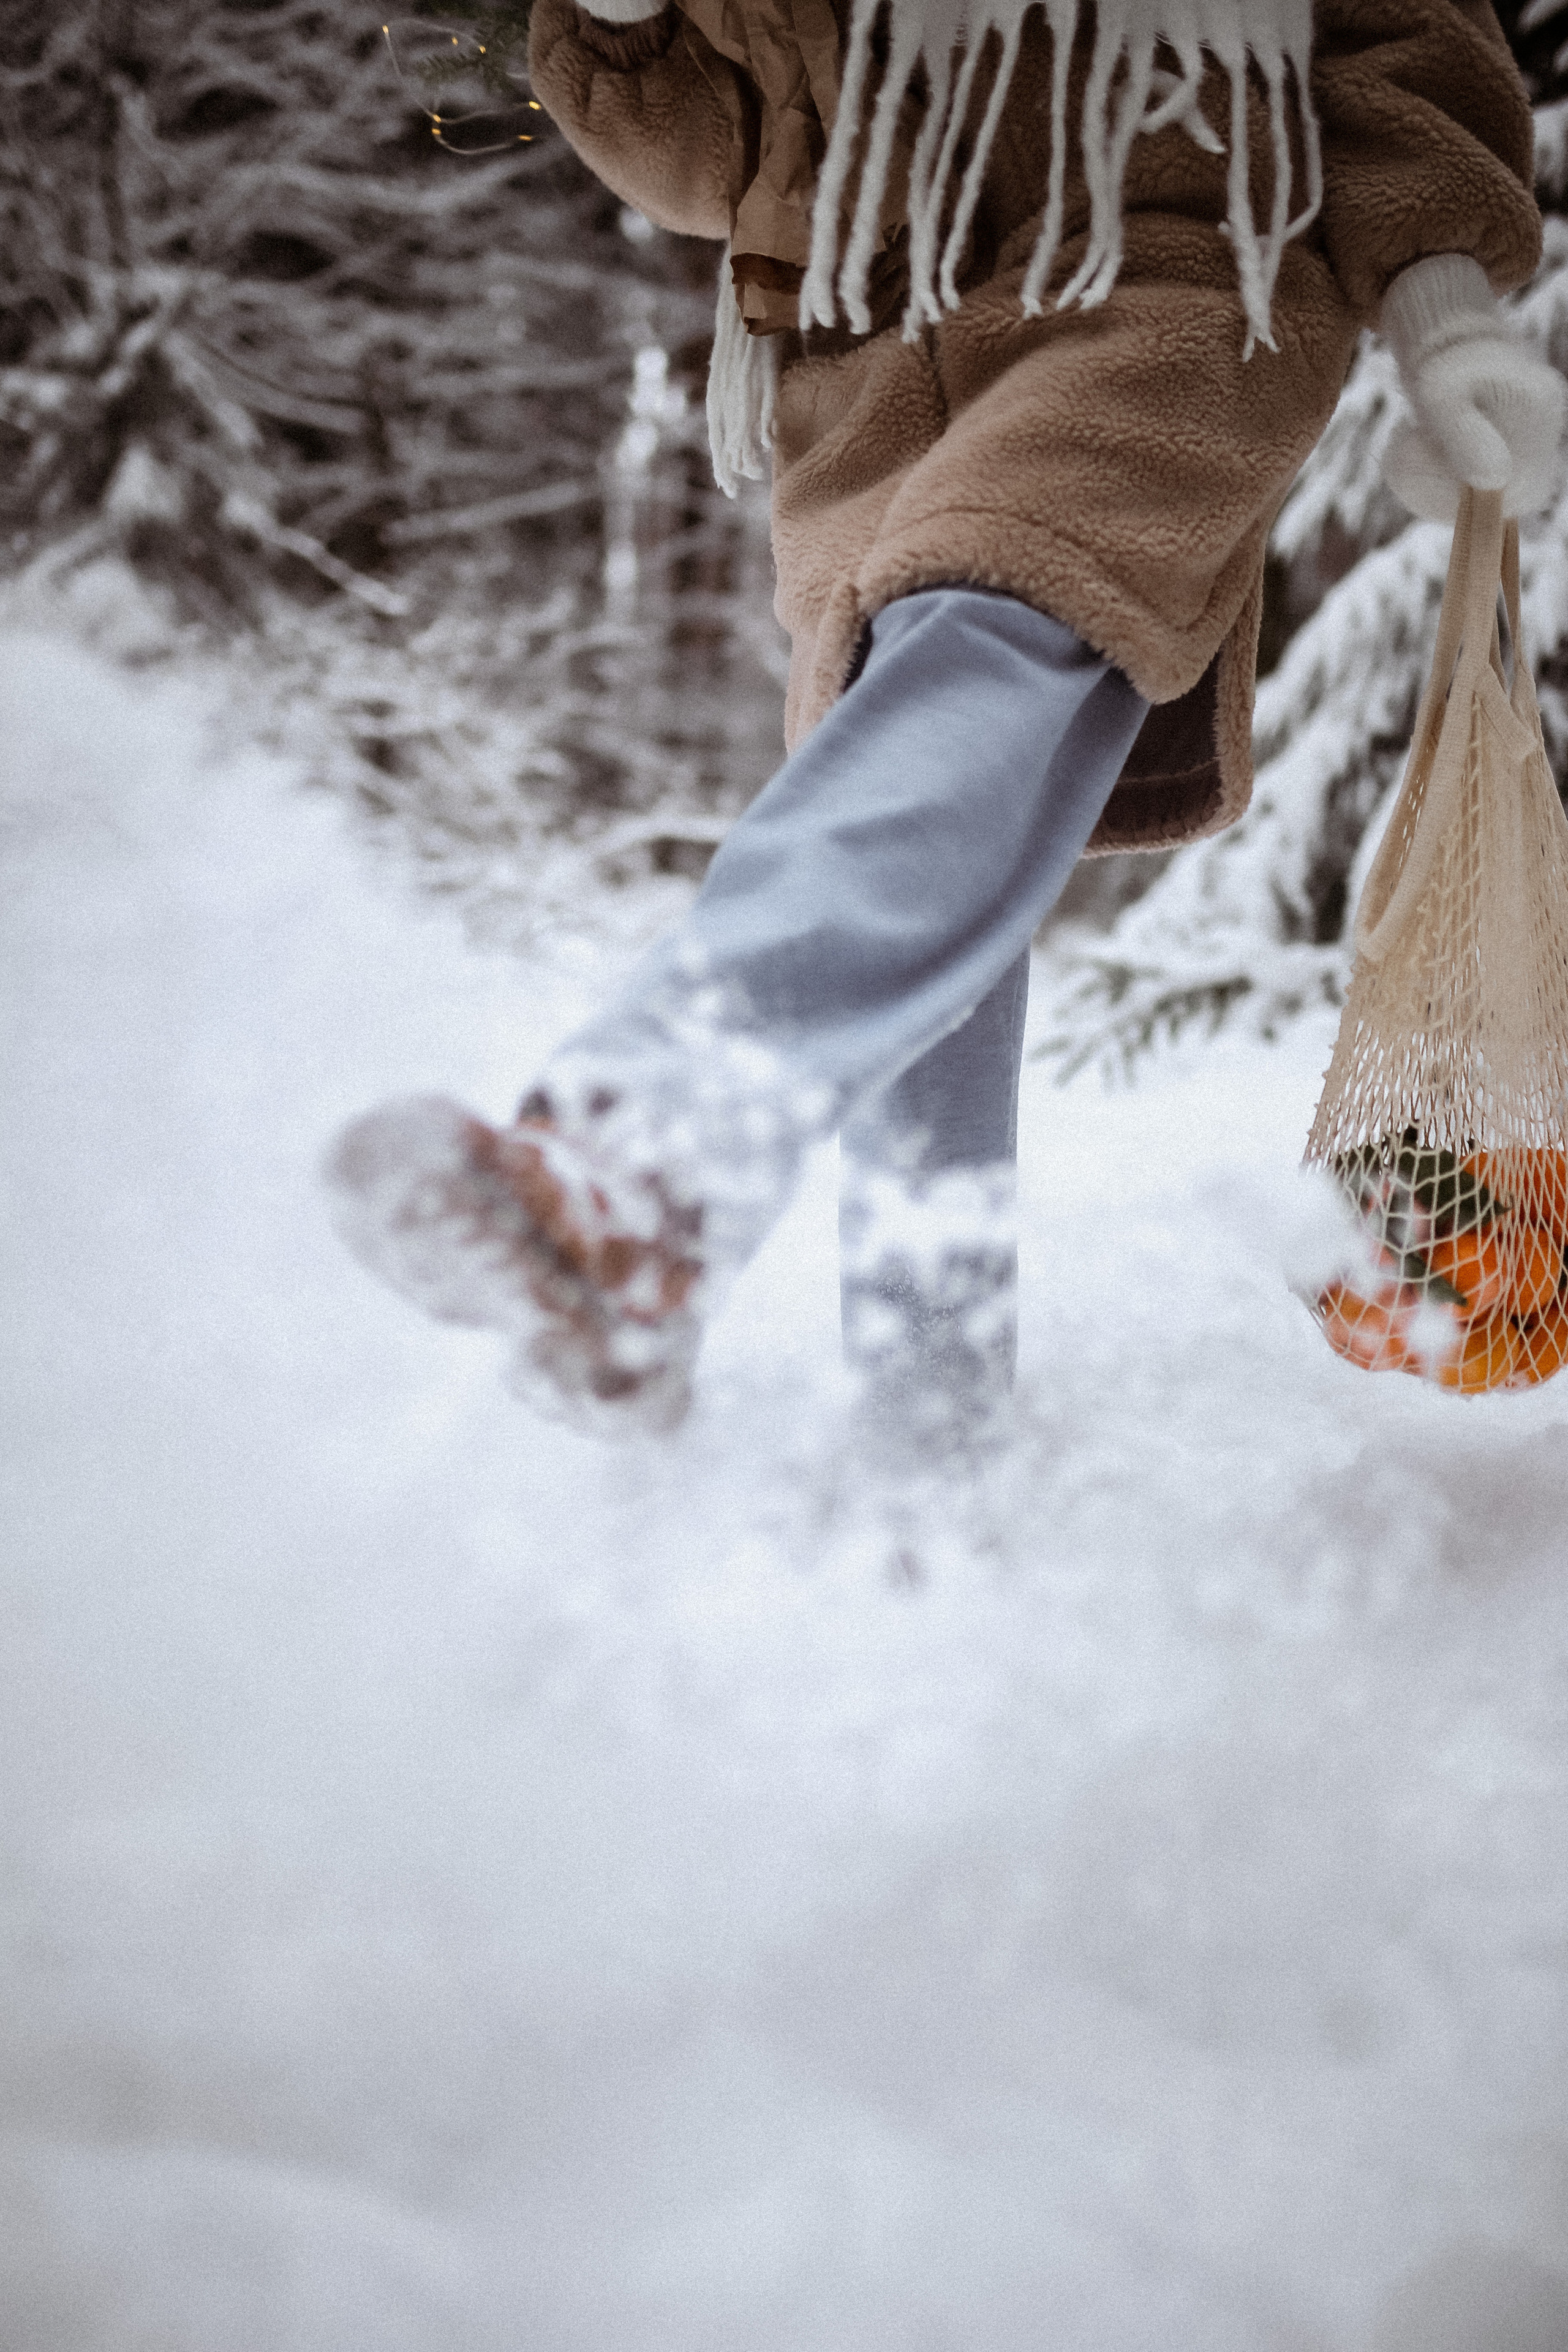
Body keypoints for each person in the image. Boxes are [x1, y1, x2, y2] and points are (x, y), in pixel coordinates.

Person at [328, 0, 1562, 1438]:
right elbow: (722, 147)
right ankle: (926, 1451)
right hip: (858, 344)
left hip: (1154, 256)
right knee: (931, 913)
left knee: (975, 677)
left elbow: (1391, 28)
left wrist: (1438, 299)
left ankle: (647, 1158)